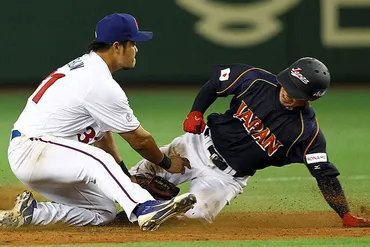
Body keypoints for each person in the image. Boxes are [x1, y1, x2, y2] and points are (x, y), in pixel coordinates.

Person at [0, 13, 196, 231]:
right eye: (133, 43)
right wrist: (167, 163)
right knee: (97, 160)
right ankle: (144, 207)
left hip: (44, 156)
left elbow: (102, 135)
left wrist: (125, 175)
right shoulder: (98, 82)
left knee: (102, 211)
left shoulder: (90, 70)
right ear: (117, 47)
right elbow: (139, 140)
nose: (136, 49)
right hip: (34, 148)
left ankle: (34, 213)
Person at [130, 57, 370, 227]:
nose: (287, 91)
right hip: (194, 146)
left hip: (225, 179)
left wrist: (345, 214)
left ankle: (145, 219)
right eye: (288, 83)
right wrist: (196, 112)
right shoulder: (256, 80)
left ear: (310, 99)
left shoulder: (306, 132)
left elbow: (324, 175)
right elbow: (215, 85)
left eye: (296, 90)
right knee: (132, 181)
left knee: (192, 221)